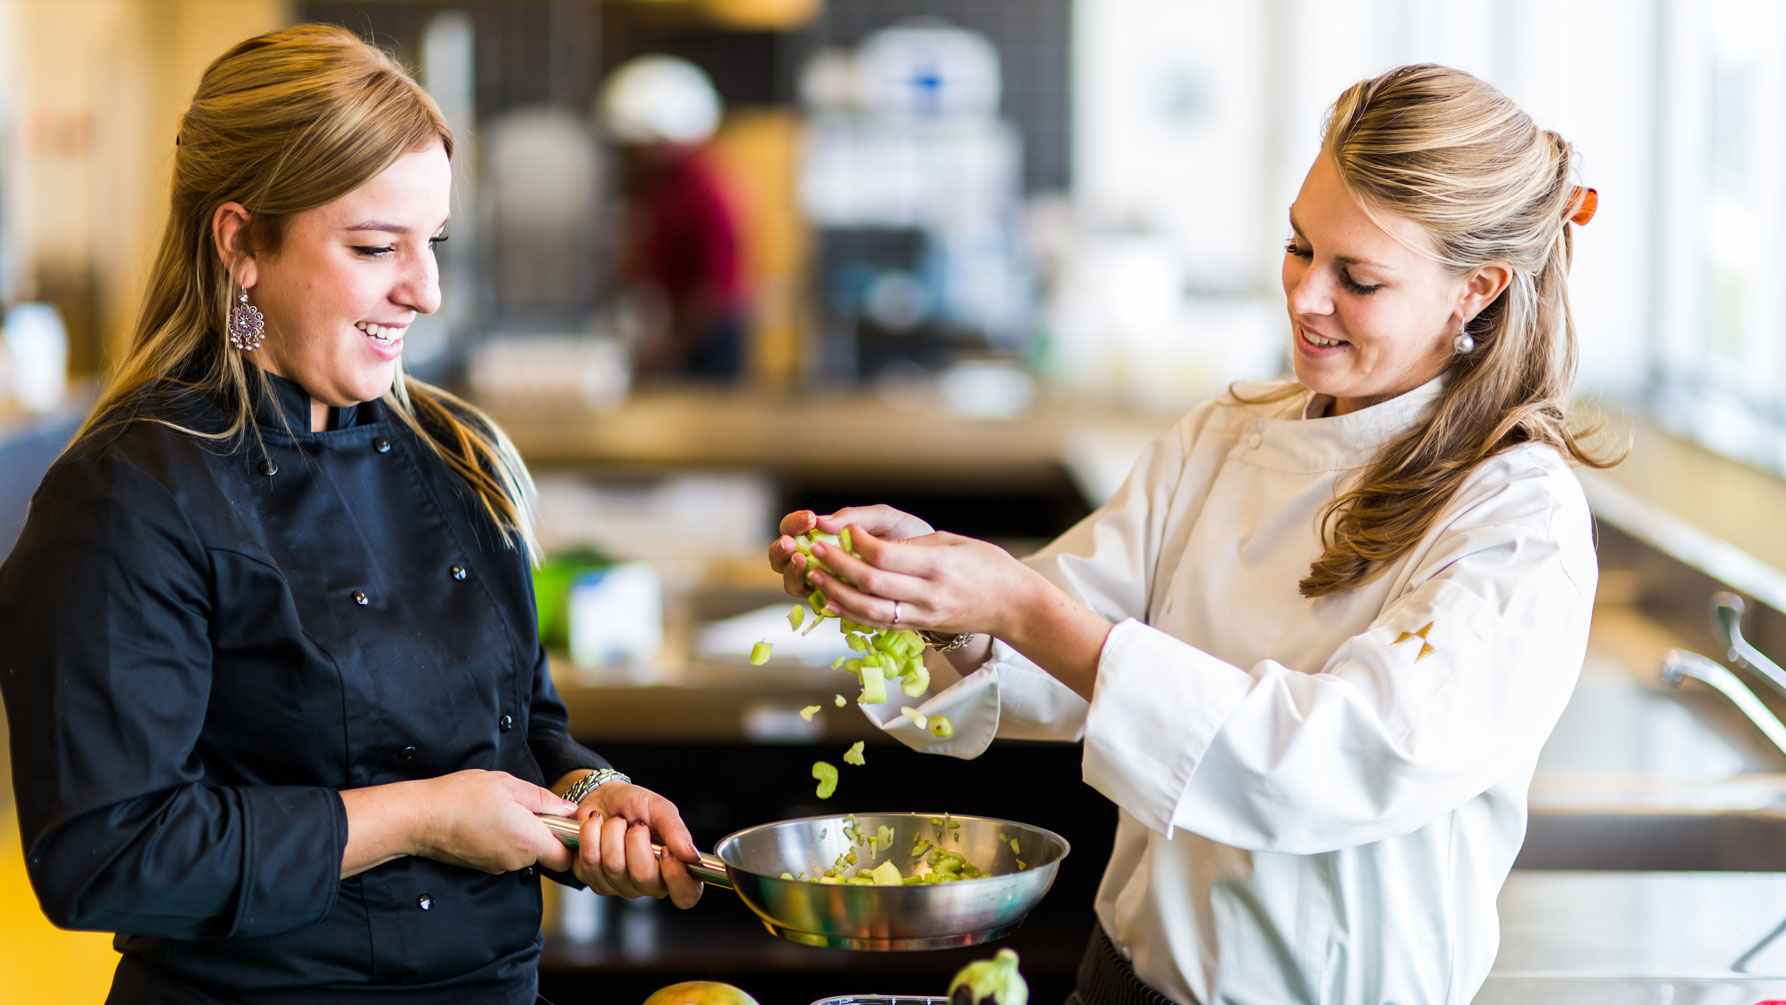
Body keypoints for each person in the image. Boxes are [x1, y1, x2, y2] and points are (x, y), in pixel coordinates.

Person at [768, 64, 1616, 1004]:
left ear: (1477, 288)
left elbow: (1322, 764)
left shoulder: (1515, 521)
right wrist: (927, 597)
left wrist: (1018, 602)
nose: (1305, 297)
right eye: (1299, 248)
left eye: (1359, 278)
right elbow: (1051, 649)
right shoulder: (1227, 435)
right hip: (1121, 979)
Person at [0, 25, 702, 1003]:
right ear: (242, 242)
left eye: (433, 243)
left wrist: (588, 792)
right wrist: (420, 817)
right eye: (377, 246)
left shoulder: (461, 456)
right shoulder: (129, 494)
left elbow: (524, 721)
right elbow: (106, 856)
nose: (427, 289)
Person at [599, 55, 748, 381]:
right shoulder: (660, 186)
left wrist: (668, 350)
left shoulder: (703, 192)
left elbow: (710, 296)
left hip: (706, 340)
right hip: (681, 330)